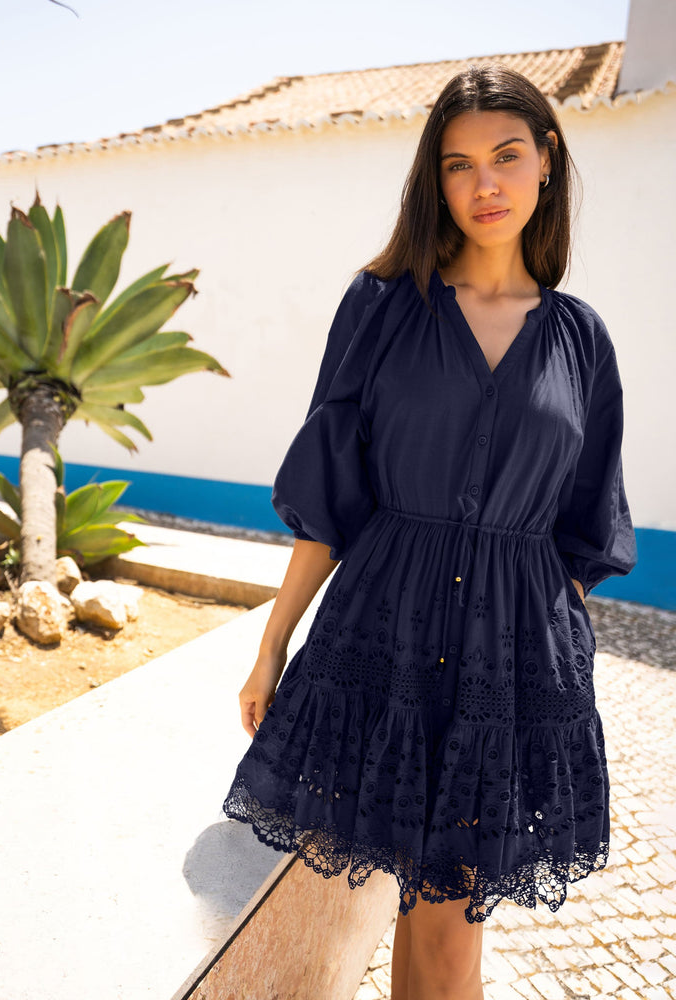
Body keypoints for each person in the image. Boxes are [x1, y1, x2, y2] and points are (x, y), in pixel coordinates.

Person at [222, 63, 637, 999]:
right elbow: (331, 495)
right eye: (457, 165)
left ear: (547, 162)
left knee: (447, 927)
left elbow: (584, 525)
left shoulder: (583, 341)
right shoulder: (381, 310)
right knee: (432, 917)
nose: (484, 184)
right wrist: (272, 642)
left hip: (511, 672)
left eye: (506, 156)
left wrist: (540, 662)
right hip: (387, 644)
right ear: (434, 181)